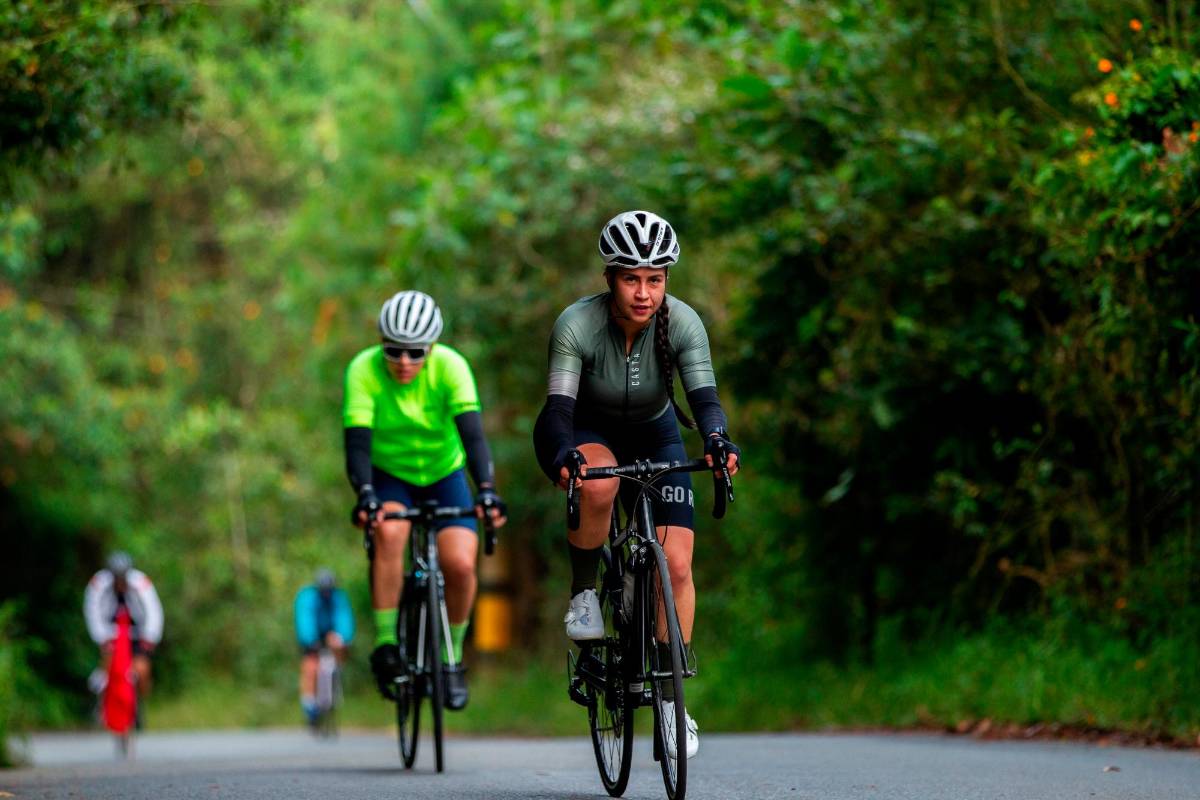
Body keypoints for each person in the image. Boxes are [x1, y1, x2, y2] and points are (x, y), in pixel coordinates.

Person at [533, 210, 741, 761]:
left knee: (675, 564)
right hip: (588, 429)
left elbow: (704, 401)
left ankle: (673, 705)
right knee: (598, 487)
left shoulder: (684, 323)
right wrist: (564, 456)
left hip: (656, 433)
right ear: (609, 280)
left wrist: (718, 440)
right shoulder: (577, 325)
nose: (644, 292)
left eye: (656, 278)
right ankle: (584, 595)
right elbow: (557, 409)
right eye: (632, 278)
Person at [344, 289, 508, 711]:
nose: (403, 362)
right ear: (381, 344)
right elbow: (358, 446)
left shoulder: (452, 367)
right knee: (391, 532)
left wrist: (486, 489)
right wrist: (365, 495)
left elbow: (473, 437)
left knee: (459, 563)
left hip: (444, 474)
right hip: (390, 477)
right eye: (394, 351)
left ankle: (451, 656)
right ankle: (385, 644)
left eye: (415, 352)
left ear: (432, 348)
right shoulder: (362, 370)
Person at [83, 551, 164, 702]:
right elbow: (92, 612)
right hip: (111, 634)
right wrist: (101, 638)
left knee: (142, 669)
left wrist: (150, 638)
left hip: (137, 634)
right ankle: (98, 700)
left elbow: (154, 611)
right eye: (117, 578)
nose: (120, 582)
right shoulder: (99, 584)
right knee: (108, 665)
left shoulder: (140, 583)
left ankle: (139, 703)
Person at [294, 568, 355, 726]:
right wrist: (309, 640)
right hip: (313, 635)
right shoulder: (307, 597)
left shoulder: (338, 598)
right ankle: (310, 704)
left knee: (338, 646)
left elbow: (344, 618)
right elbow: (304, 620)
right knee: (310, 666)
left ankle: (336, 675)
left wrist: (343, 638)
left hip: (330, 633)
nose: (327, 593)